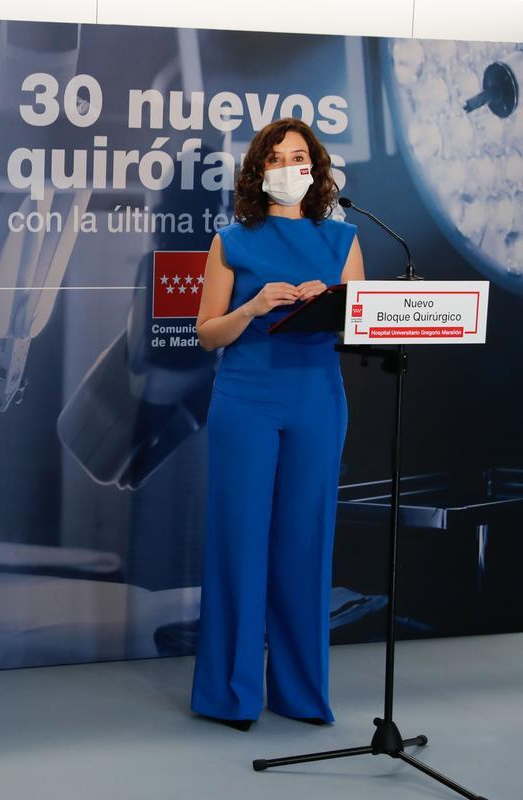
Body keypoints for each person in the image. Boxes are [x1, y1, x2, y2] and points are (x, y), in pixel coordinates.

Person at [190, 117, 364, 730]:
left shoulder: (342, 242)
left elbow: (359, 328)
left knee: (305, 543)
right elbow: (207, 333)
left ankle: (298, 692)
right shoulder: (232, 241)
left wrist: (329, 305)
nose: (290, 167)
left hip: (317, 400)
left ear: (316, 169)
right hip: (246, 399)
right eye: (277, 158)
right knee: (240, 540)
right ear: (259, 172)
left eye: (300, 156)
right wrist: (256, 305)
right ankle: (229, 695)